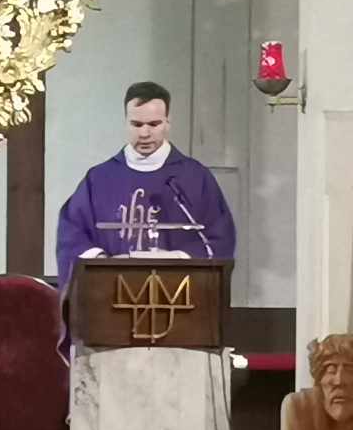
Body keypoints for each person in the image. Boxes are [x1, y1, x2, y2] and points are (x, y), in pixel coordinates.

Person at [55, 80, 235, 292]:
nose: (145, 133)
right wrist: (101, 263)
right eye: (137, 124)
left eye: (154, 124)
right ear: (126, 122)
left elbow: (220, 236)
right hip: (112, 294)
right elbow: (71, 233)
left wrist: (178, 259)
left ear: (168, 122)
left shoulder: (195, 177)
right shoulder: (100, 178)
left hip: (178, 294)